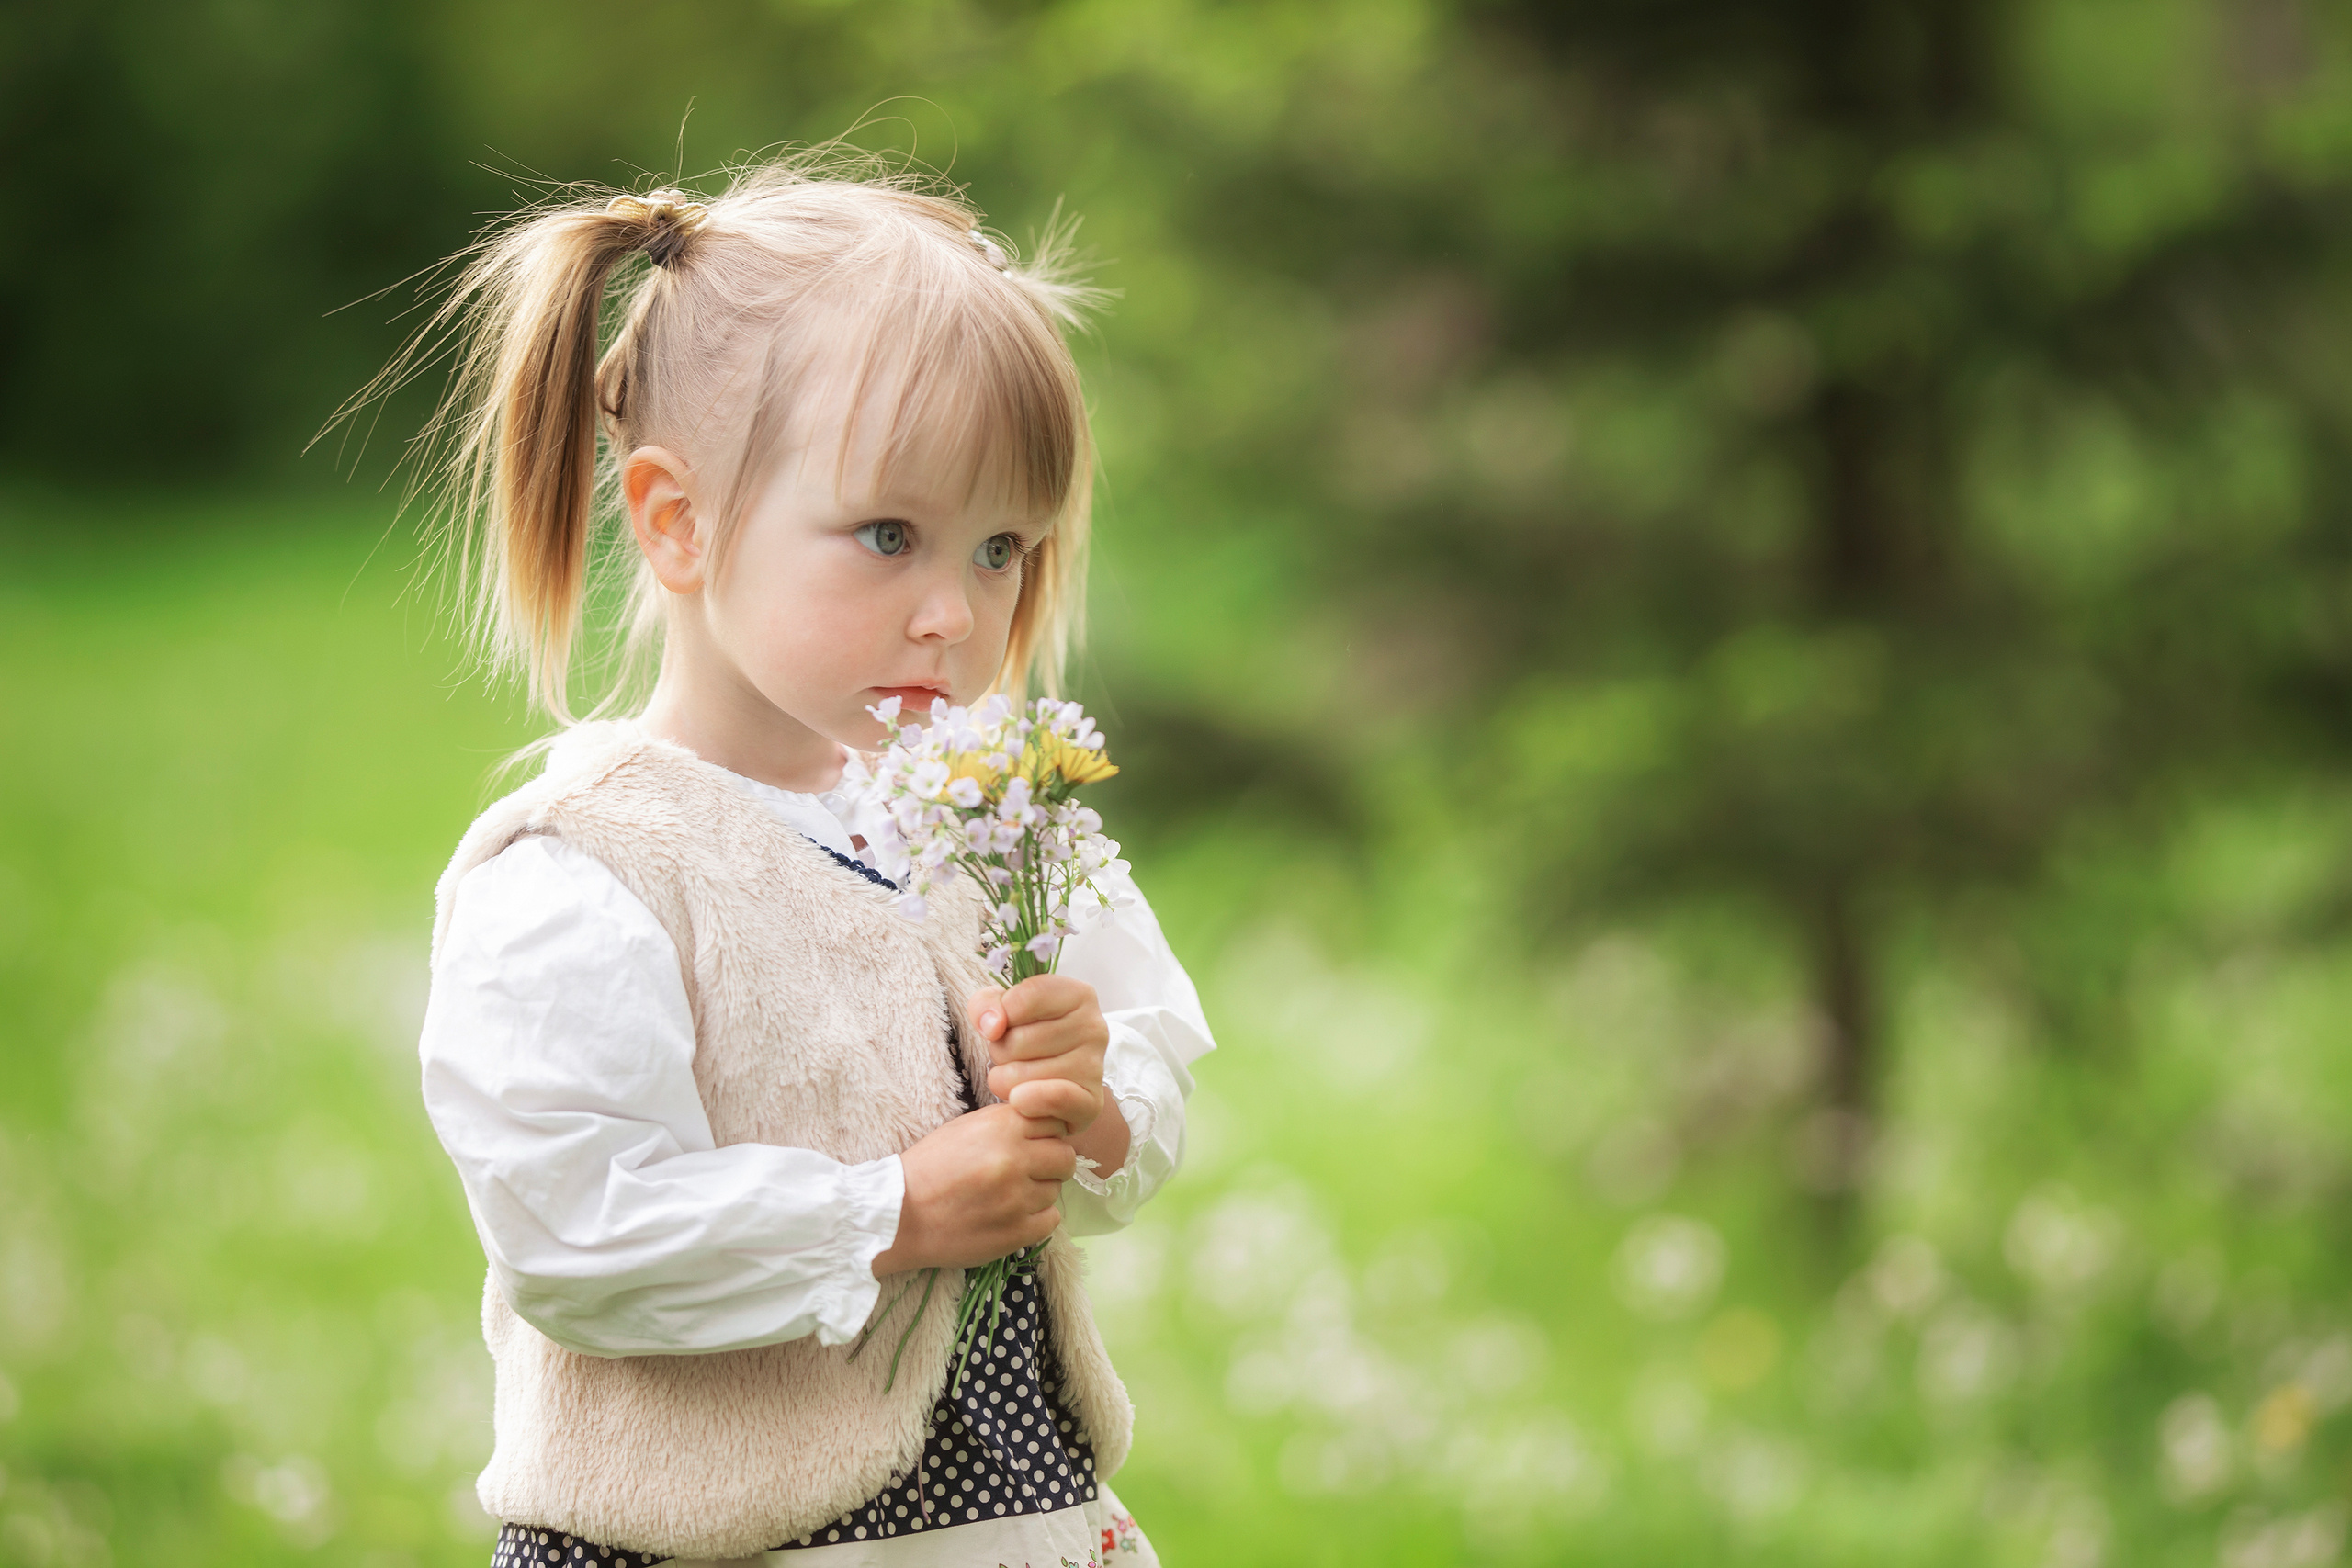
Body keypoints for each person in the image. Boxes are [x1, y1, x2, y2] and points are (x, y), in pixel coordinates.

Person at [390, 157, 1213, 1567]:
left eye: (1005, 547)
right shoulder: (588, 869)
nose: (956, 613)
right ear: (678, 521)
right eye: (888, 536)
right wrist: (891, 1212)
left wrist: (1091, 1103)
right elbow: (577, 1235)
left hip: (1014, 1519)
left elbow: (1151, 1069)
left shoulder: (990, 813)